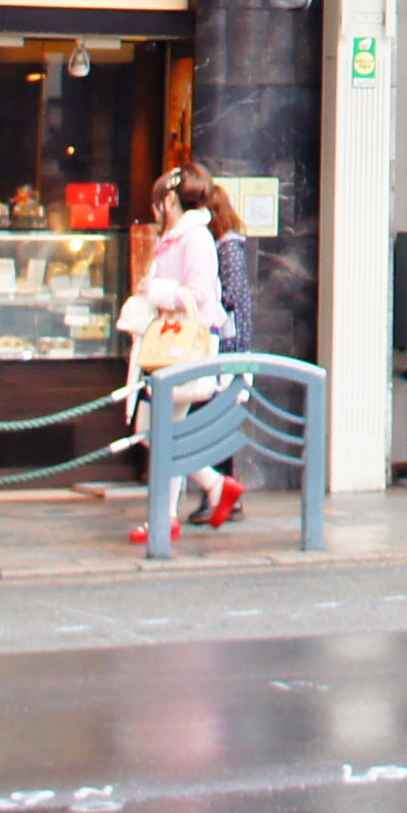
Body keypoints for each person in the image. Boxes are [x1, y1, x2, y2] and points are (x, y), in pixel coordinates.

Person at [122, 167, 242, 545]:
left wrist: (157, 290)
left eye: (158, 199)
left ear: (170, 200)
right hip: (169, 345)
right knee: (157, 431)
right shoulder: (178, 237)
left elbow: (201, 294)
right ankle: (212, 487)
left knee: (157, 431)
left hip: (182, 347)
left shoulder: (194, 238)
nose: (155, 208)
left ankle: (167, 515)